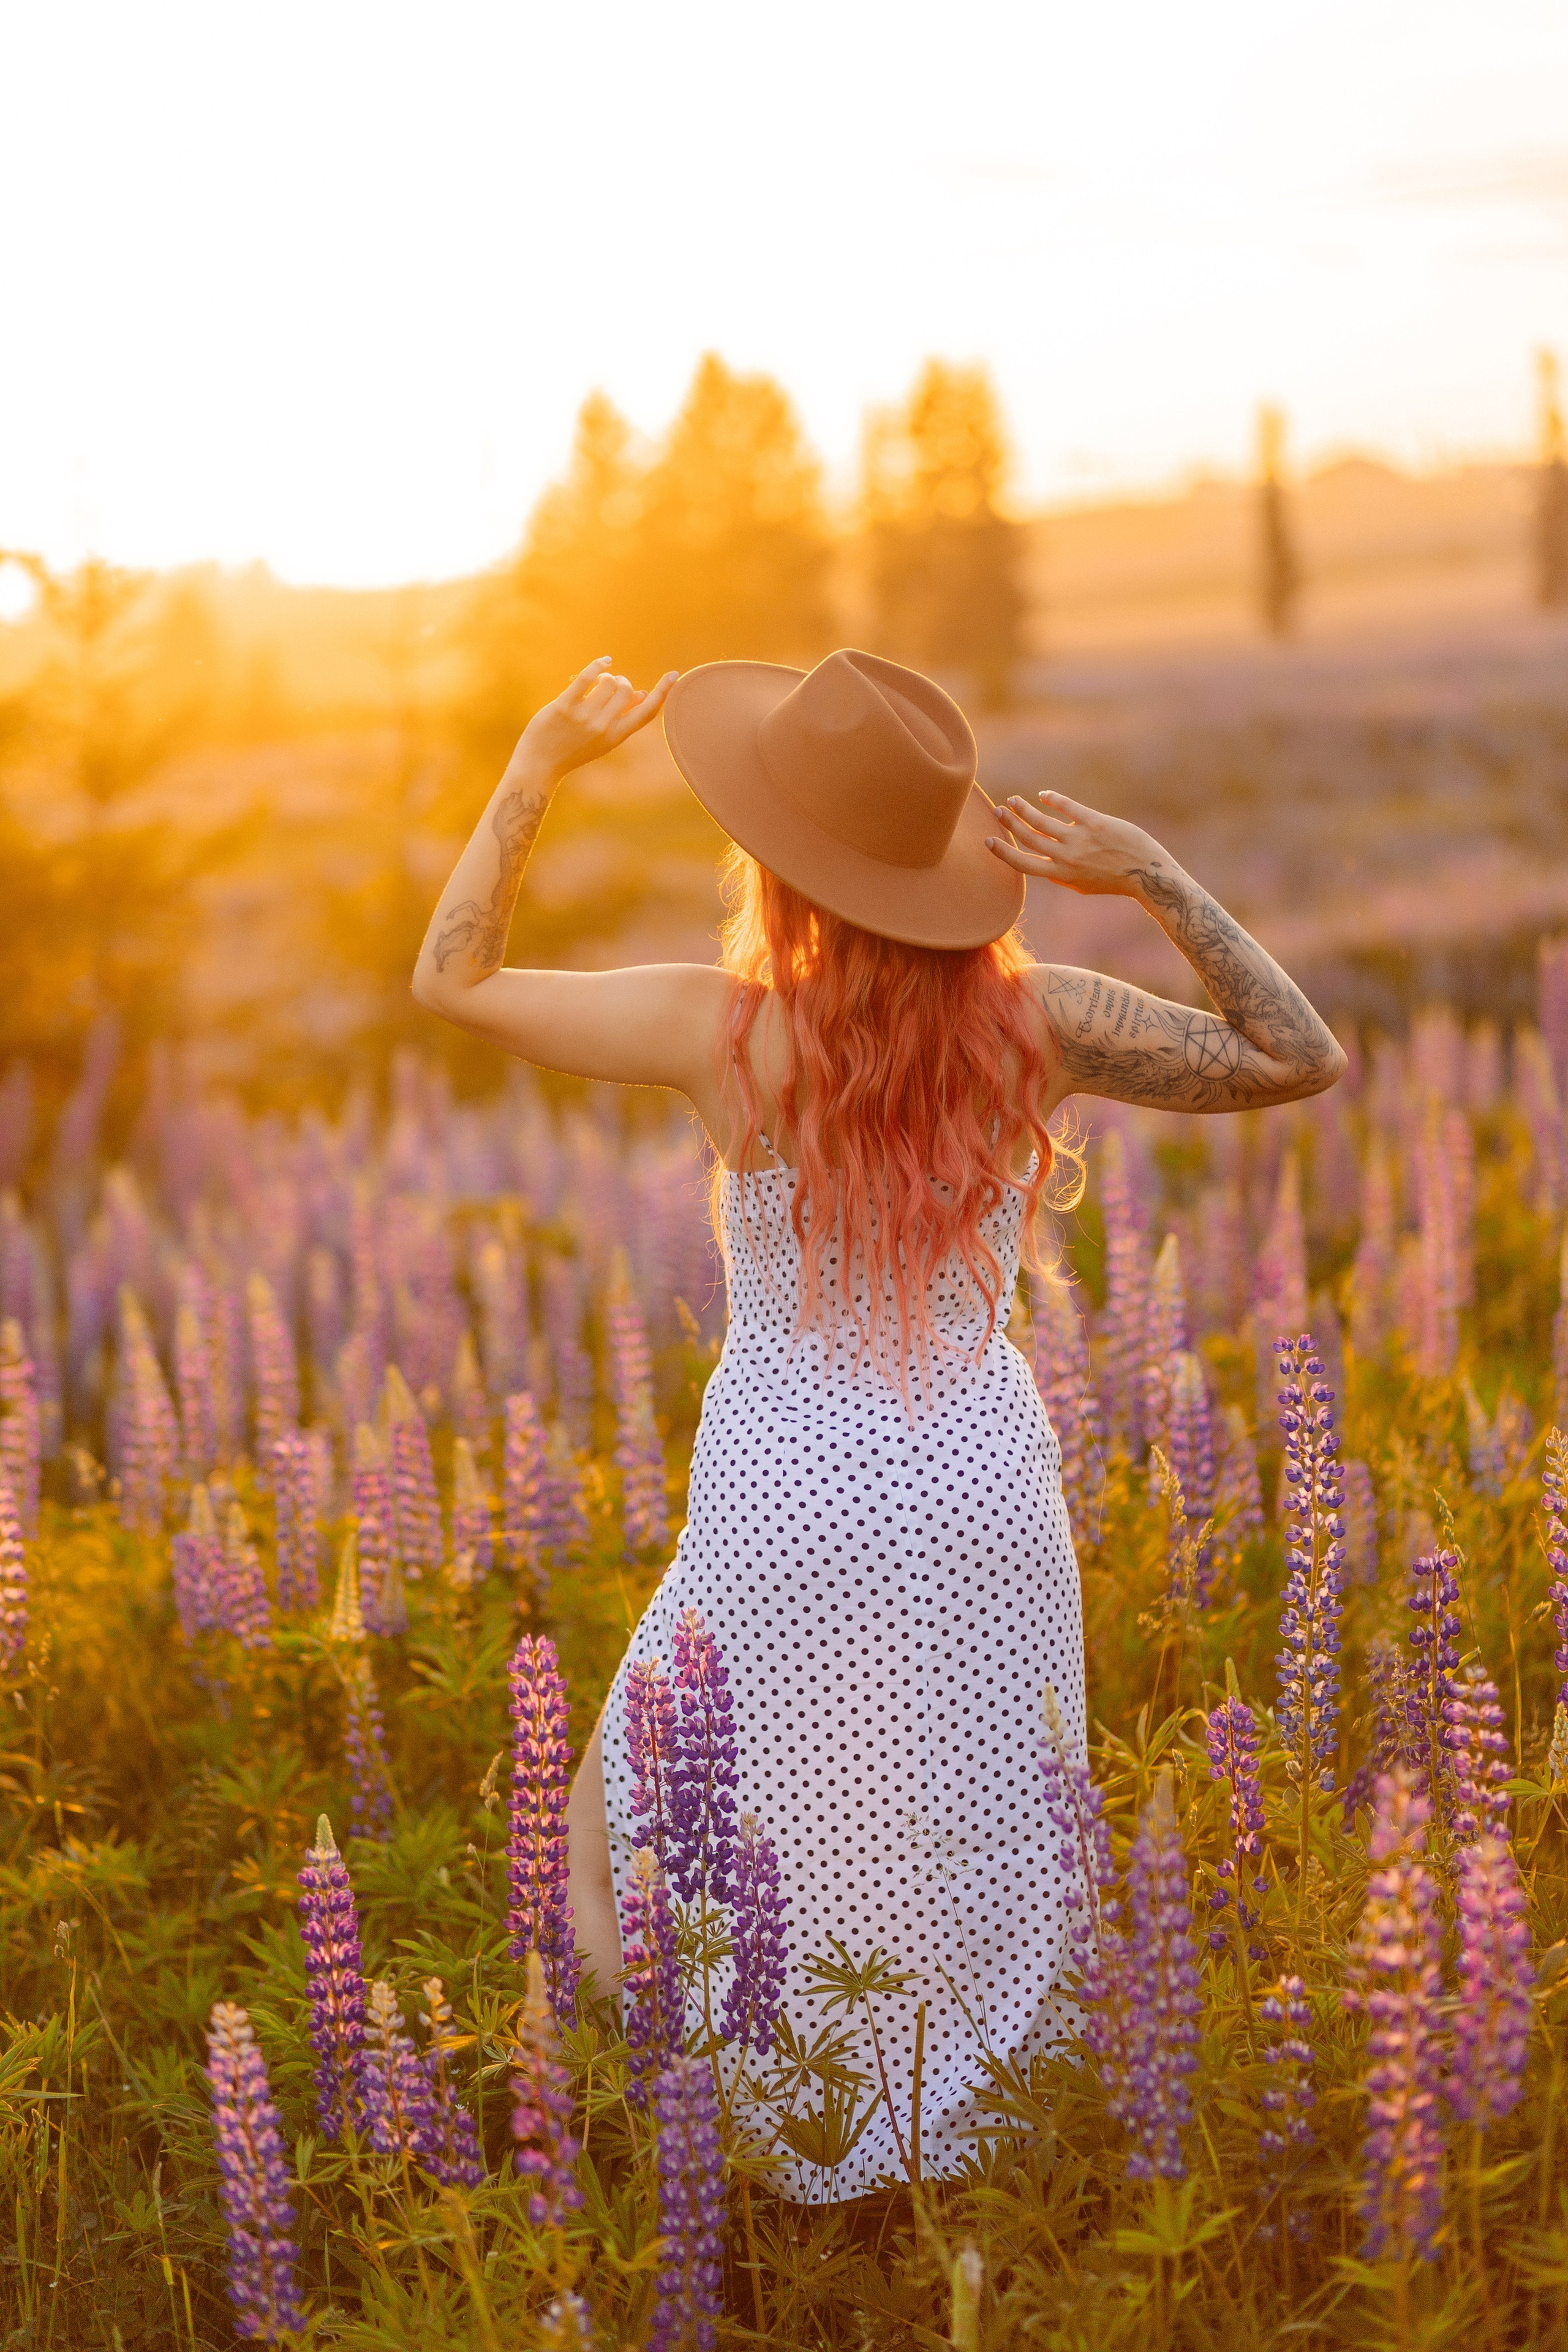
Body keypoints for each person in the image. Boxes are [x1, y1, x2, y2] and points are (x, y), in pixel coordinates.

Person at [413, 647, 1344, 2201]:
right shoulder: (1040, 1020)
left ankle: (756, 2162)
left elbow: (451, 979)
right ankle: (971, 2154)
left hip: (785, 1498)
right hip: (985, 1490)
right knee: (972, 1827)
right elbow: (1294, 1056)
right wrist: (1155, 875)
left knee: (622, 1836)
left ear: (775, 862)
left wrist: (529, 773)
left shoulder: (720, 1032)